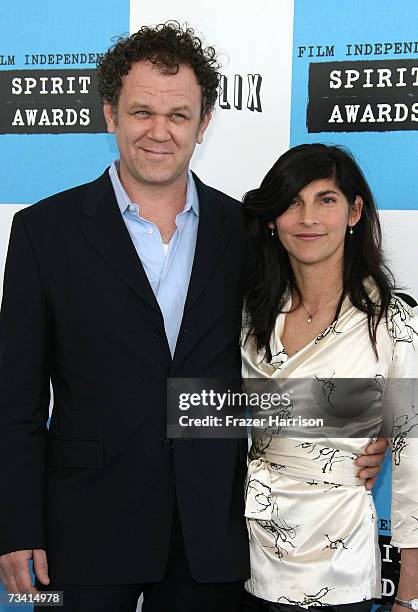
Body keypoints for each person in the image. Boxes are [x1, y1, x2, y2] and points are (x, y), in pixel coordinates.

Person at [0, 24, 386, 612]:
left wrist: (371, 425)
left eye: (179, 114)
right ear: (110, 115)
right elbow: (16, 398)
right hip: (84, 524)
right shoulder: (42, 232)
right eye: (141, 112)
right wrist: (17, 524)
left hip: (215, 526)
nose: (160, 131)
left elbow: (304, 343)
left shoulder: (249, 234)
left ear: (204, 124)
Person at [240, 143, 418, 612]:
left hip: (340, 562)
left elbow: (413, 462)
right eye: (292, 202)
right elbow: (205, 412)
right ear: (273, 218)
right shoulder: (247, 318)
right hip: (246, 556)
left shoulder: (393, 324)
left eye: (326, 199)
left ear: (354, 211)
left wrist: (410, 595)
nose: (307, 218)